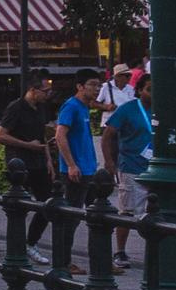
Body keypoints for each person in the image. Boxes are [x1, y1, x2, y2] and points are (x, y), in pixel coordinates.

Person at [108, 75, 154, 267]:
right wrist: (110, 162)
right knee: (127, 210)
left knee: (156, 212)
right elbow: (108, 135)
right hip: (131, 166)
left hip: (155, 168)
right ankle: (120, 251)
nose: (153, 93)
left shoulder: (162, 109)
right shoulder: (127, 109)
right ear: (140, 90)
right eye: (149, 89)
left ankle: (155, 252)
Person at [0, 72, 58, 198]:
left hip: (39, 161)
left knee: (46, 199)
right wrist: (28, 145)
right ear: (32, 90)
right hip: (20, 162)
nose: (48, 95)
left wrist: (49, 160)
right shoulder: (16, 107)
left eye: (50, 91)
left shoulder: (41, 107)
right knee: (20, 200)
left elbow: (42, 135)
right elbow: (0, 136)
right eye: (45, 91)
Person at [58, 70, 107, 204]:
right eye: (92, 84)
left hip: (88, 168)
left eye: (99, 85)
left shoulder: (84, 107)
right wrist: (71, 165)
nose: (97, 89)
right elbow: (60, 136)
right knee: (73, 212)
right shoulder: (71, 106)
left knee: (94, 210)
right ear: (80, 86)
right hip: (77, 170)